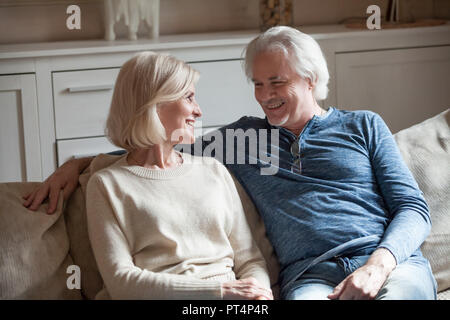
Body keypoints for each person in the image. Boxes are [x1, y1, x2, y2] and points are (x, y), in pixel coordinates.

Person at [24, 26, 437, 300]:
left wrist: (378, 266)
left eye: (278, 82)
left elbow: (413, 209)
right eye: (257, 83)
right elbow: (154, 150)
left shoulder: (363, 126)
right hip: (311, 277)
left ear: (310, 79)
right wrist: (76, 165)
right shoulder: (242, 140)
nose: (265, 94)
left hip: (388, 264)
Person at [72, 52, 272, 299]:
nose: (198, 111)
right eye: (189, 97)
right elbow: (121, 282)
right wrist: (218, 292)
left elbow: (251, 260)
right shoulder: (107, 185)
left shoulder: (213, 171)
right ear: (153, 104)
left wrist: (261, 294)